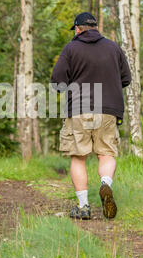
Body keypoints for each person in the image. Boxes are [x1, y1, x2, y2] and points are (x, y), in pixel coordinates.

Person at [51, 12, 131, 220]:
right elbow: (126, 79)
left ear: (77, 29)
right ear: (95, 27)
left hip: (79, 108)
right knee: (106, 154)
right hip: (108, 109)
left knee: (79, 158)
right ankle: (106, 184)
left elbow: (57, 81)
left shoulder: (71, 48)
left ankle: (84, 206)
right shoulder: (114, 48)